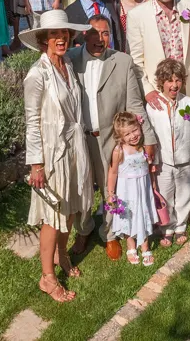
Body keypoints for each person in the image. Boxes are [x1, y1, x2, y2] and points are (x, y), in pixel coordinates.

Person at [65, 15, 157, 261]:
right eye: (95, 33)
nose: (100, 38)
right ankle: (84, 230)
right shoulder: (70, 60)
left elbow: (135, 105)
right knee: (81, 187)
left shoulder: (122, 61)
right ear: (84, 35)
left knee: (110, 187)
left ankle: (110, 234)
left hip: (110, 139)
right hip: (80, 139)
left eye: (105, 33)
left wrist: (148, 138)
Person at [22, 10, 93, 302]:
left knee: (73, 205)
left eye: (64, 33)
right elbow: (32, 121)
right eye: (54, 34)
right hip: (52, 154)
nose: (61, 38)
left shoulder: (66, 66)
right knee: (53, 215)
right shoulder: (36, 75)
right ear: (43, 40)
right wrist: (36, 163)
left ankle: (62, 254)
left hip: (74, 148)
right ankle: (47, 277)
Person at [146, 59, 190, 246]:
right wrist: (152, 160)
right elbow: (150, 134)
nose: (174, 85)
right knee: (166, 194)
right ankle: (168, 228)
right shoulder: (153, 107)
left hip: (184, 158)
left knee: (184, 193)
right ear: (161, 82)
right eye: (170, 81)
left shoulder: (187, 103)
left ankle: (180, 225)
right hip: (163, 161)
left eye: (178, 80)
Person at [126, 0, 190, 104]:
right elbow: (136, 60)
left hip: (187, 88)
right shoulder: (137, 15)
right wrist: (148, 90)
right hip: (158, 92)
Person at [107, 112, 159, 266]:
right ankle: (131, 245)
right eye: (127, 134)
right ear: (120, 137)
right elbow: (113, 172)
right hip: (127, 191)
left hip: (142, 188)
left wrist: (153, 184)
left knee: (142, 214)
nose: (133, 136)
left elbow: (148, 169)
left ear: (139, 127)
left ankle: (144, 246)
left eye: (135, 130)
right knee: (128, 217)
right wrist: (111, 193)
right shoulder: (119, 151)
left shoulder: (142, 148)